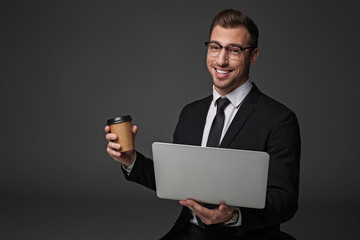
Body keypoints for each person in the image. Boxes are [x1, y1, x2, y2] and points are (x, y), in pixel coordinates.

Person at [105, 9, 300, 240]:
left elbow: (285, 202)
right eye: (215, 47)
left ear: (253, 55)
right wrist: (131, 160)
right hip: (190, 233)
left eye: (234, 50)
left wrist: (233, 216)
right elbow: (176, 180)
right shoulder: (191, 114)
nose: (221, 60)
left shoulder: (280, 119)